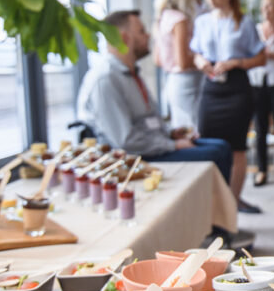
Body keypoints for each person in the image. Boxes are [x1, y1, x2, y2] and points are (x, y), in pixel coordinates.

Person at [76, 10, 232, 180]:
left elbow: (147, 122)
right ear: (124, 38)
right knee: (214, 154)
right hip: (133, 157)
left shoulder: (131, 72)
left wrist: (171, 134)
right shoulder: (105, 79)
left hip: (153, 145)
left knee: (222, 146)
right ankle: (214, 205)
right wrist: (172, 145)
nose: (148, 36)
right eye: (141, 31)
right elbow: (126, 141)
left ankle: (218, 205)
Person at [191, 0, 266, 214]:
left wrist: (236, 63)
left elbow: (260, 57)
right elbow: (195, 52)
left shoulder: (243, 22)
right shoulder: (202, 21)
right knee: (208, 142)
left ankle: (232, 202)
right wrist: (200, 61)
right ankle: (213, 202)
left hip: (236, 87)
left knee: (237, 147)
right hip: (211, 86)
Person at [249, 0, 274, 188]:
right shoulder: (255, 30)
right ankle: (261, 170)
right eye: (264, 6)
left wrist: (272, 55)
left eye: (271, 6)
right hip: (257, 84)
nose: (266, 10)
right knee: (260, 129)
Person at [153, 0, 203, 129]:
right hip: (187, 81)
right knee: (193, 128)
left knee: (182, 126)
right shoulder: (180, 20)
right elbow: (183, 62)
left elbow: (158, 59)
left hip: (172, 80)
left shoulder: (163, 17)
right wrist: (204, 60)